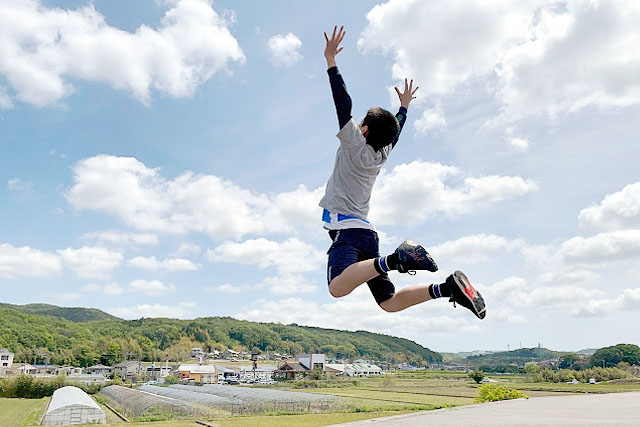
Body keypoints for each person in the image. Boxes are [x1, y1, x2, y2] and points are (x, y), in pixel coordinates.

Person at [319, 26, 485, 319]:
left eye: (360, 124)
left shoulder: (353, 143)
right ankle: (447, 289)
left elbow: (342, 103)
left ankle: (397, 259)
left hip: (347, 230)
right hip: (367, 235)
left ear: (365, 130)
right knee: (389, 301)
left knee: (336, 287)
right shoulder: (381, 152)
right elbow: (395, 131)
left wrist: (331, 61)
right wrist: (404, 107)